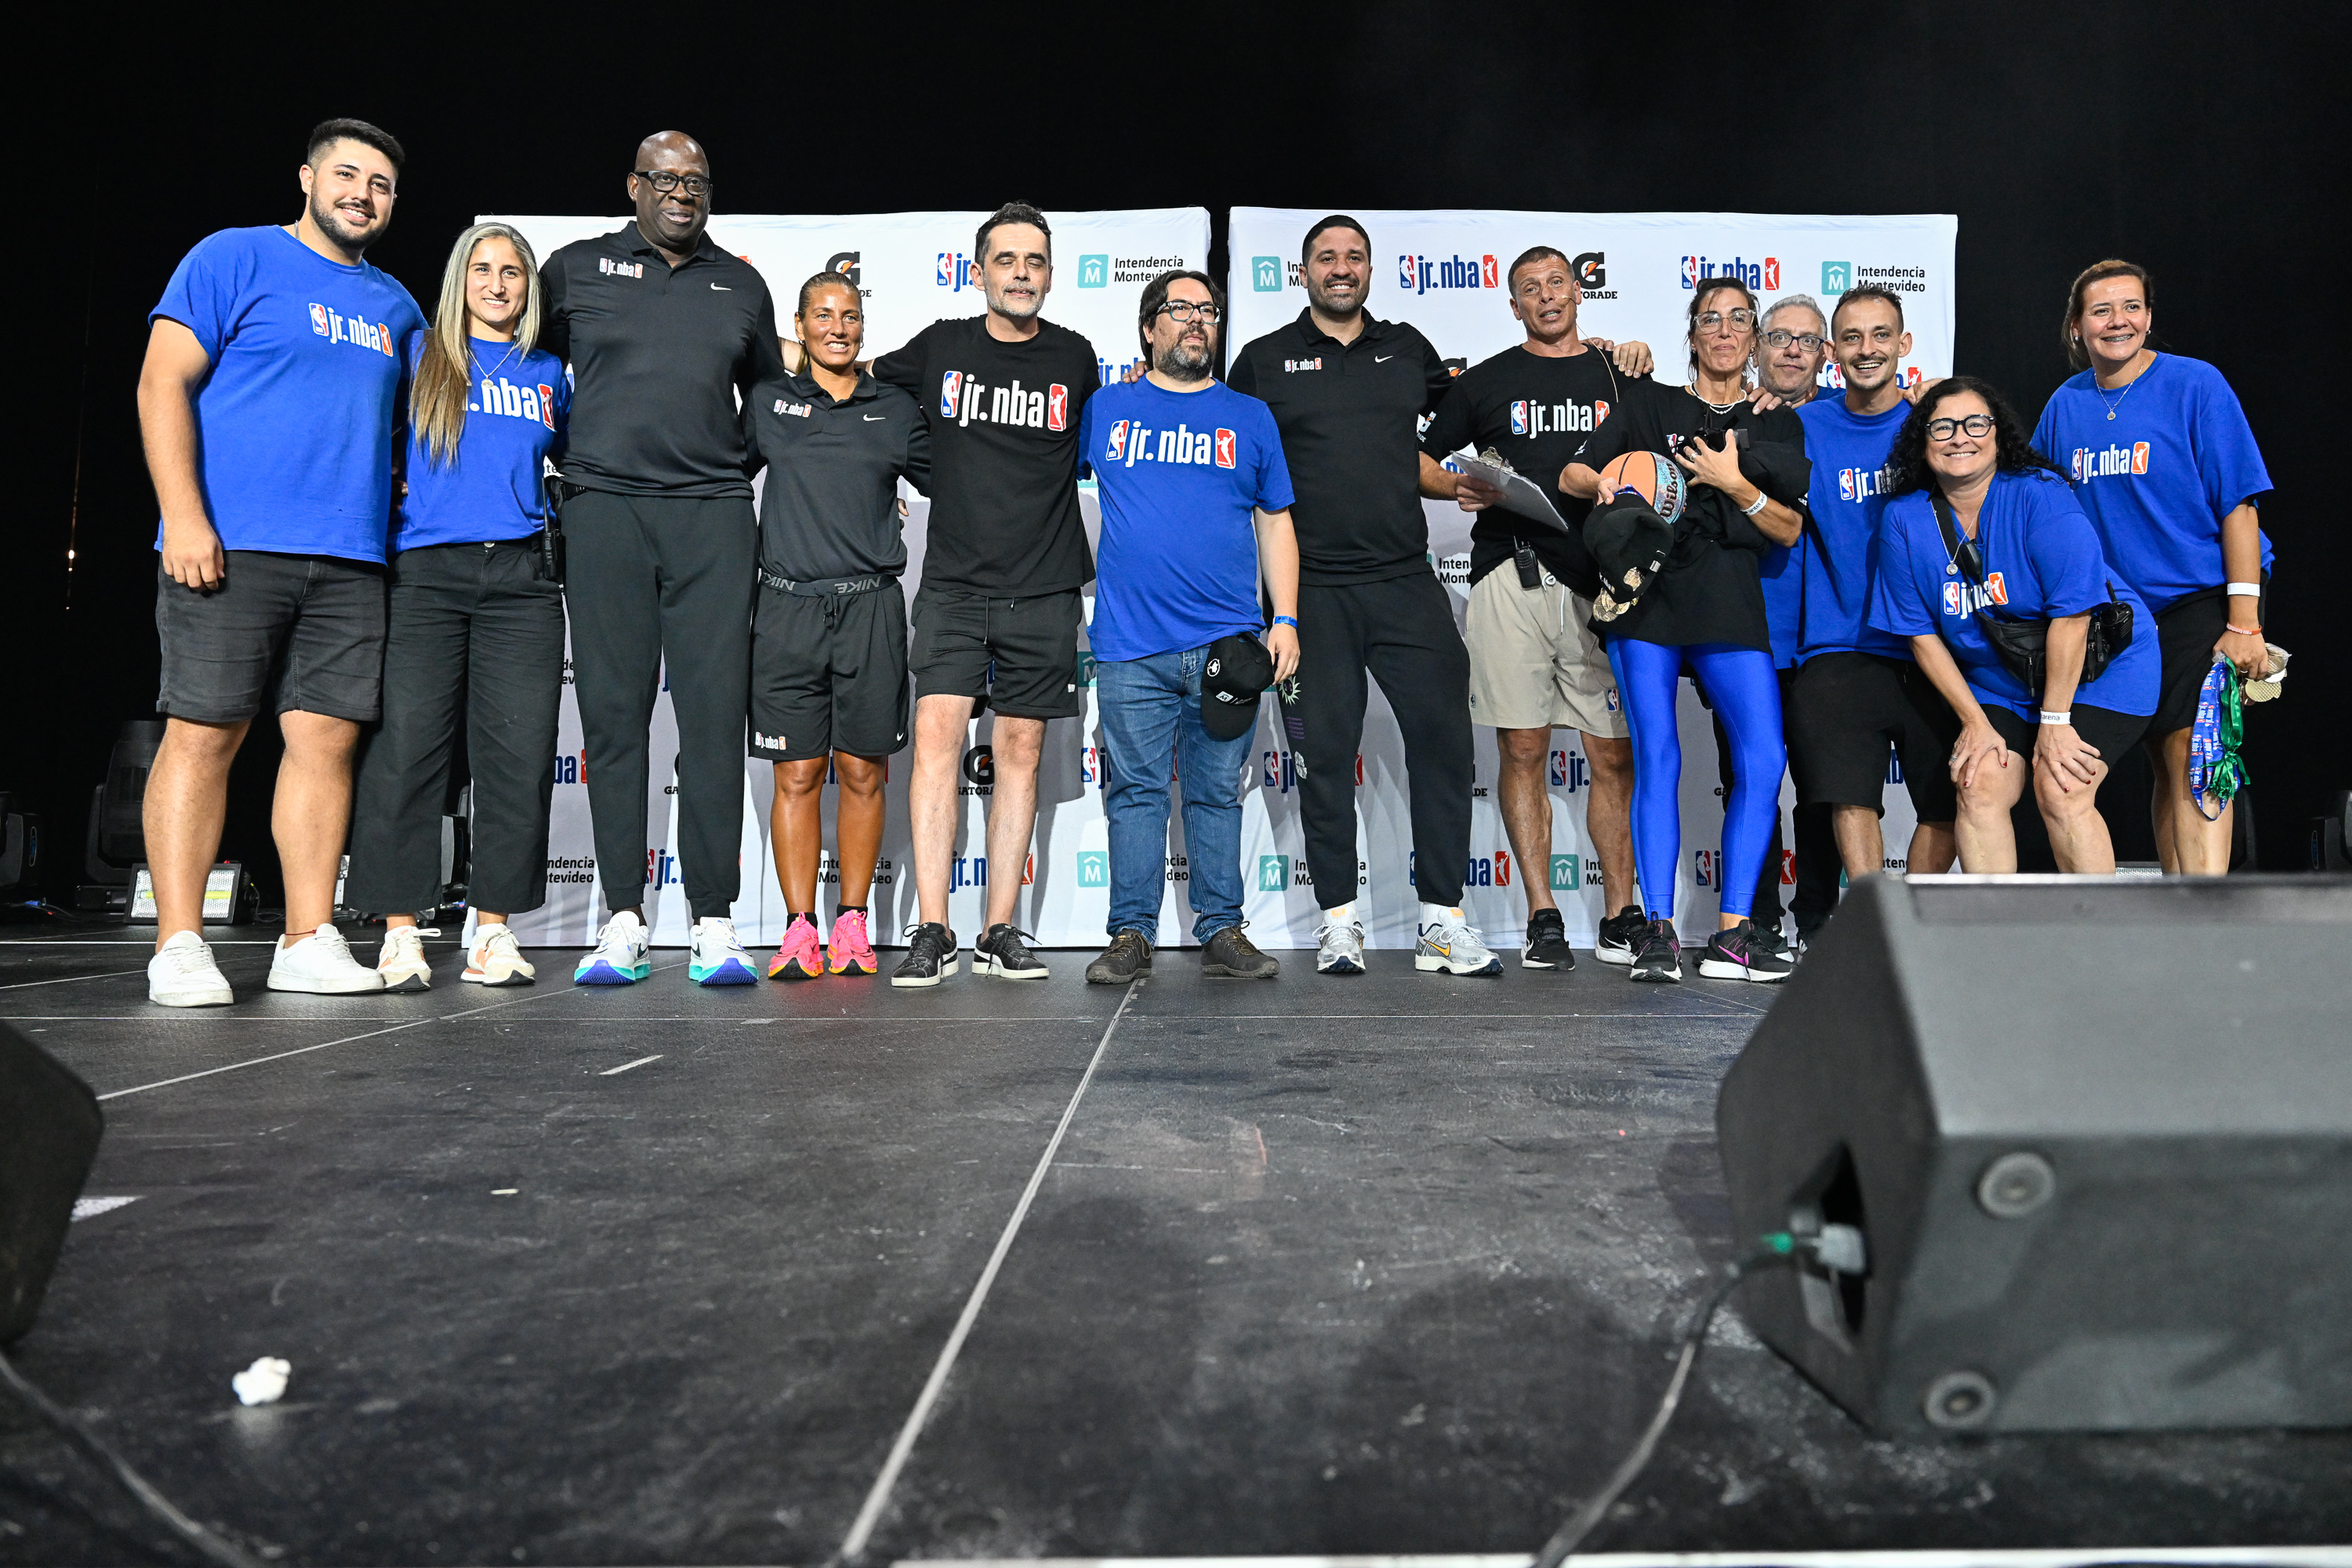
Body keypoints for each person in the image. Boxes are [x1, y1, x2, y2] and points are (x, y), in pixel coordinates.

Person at [140, 118, 424, 1007]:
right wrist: (184, 515)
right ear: (306, 177)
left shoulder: (399, 309)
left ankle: (307, 936)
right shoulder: (234, 257)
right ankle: (179, 941)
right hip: (229, 545)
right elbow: (160, 383)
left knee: (325, 746)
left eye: (379, 184)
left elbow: (411, 438)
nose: (361, 195)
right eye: (347, 175)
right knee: (204, 733)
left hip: (349, 561)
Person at [539, 132, 786, 988]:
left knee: (715, 719)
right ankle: (623, 920)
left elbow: (768, 402)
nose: (682, 192)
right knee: (612, 717)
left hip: (713, 517)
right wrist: (576, 462)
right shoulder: (573, 270)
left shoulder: (741, 283)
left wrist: (719, 468)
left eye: (697, 181)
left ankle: (713, 921)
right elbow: (526, 372)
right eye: (666, 179)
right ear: (635, 185)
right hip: (603, 512)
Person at [1228, 216, 1501, 978]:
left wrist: (1606, 357)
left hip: (1406, 582)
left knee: (1447, 743)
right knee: (1324, 759)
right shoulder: (1263, 361)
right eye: (1326, 257)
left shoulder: (1407, 350)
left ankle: (1442, 920)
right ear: (1303, 271)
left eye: (1354, 257)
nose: (1341, 268)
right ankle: (1338, 921)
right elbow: (1223, 448)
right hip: (1311, 594)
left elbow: (1483, 406)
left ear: (1371, 270)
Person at [874, 202, 1102, 985]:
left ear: (1048, 273)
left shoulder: (1076, 358)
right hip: (954, 583)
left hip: (1043, 584)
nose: (1021, 274)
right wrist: (885, 474)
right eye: (1006, 260)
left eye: (1035, 261)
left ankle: (998, 926)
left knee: (1022, 750)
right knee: (936, 737)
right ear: (980, 273)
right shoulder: (941, 346)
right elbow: (862, 392)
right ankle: (933, 925)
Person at [1562, 278, 1809, 984]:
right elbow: (1575, 471)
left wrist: (1734, 484)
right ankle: (1659, 929)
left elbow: (1787, 527)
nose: (1725, 331)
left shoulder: (1776, 421)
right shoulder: (1649, 402)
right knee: (1658, 756)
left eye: (1739, 320)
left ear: (1754, 338)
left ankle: (1734, 930)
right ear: (1692, 334)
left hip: (1730, 598)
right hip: (1650, 598)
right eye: (1710, 320)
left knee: (1763, 758)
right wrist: (1604, 483)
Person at [1415, 245, 1650, 972]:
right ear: (1512, 305)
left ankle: (1622, 914)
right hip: (1509, 576)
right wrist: (1457, 490)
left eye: (1557, 283)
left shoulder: (1620, 373)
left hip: (1602, 586)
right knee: (1523, 749)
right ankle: (1542, 914)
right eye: (1529, 290)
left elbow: (1657, 462)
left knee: (1612, 754)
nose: (1546, 297)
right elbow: (1418, 455)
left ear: (1580, 294)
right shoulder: (1486, 380)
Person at [345, 224, 567, 991]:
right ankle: (402, 930)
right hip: (427, 575)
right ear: (459, 278)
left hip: (522, 579)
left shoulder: (548, 372)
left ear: (529, 286)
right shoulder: (419, 356)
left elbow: (581, 462)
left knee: (517, 760)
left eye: (513, 272)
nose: (499, 283)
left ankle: (492, 929)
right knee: (407, 750)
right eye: (483, 268)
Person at [1078, 270, 1300, 985]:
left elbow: (1275, 522)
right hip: (1130, 646)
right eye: (1180, 309)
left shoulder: (1250, 417)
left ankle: (1221, 928)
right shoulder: (1107, 408)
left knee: (1215, 794)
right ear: (1149, 328)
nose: (1197, 321)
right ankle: (1130, 935)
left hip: (1228, 646)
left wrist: (1286, 616)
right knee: (1135, 795)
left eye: (1207, 311)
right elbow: (1027, 475)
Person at [2031, 260, 2274, 874]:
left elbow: (2239, 505)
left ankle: (2205, 920)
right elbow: (2033, 499)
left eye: (2132, 306)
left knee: (2193, 757)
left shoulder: (2196, 385)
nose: (2120, 321)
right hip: (2118, 616)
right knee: (2158, 764)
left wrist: (2244, 621)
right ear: (2076, 327)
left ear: (2148, 316)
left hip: (2203, 598)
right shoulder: (2067, 405)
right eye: (2102, 310)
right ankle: (2176, 920)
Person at [1871, 379, 2158, 872]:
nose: (1960, 437)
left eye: (1975, 423)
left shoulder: (2039, 494)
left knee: (2062, 785)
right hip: (2000, 682)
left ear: (1998, 434)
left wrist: (2055, 721)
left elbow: (2072, 614)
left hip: (2100, 668)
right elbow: (1920, 635)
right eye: (1942, 427)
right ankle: (1993, 943)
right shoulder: (1902, 519)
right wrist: (1976, 723)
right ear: (1922, 442)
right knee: (1978, 781)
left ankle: (2102, 944)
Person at [742, 274, 931, 981]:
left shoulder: (896, 408)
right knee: (797, 772)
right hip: (786, 609)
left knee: (861, 769)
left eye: (850, 315)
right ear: (800, 325)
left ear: (864, 326)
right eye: (823, 315)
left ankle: (852, 924)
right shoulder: (768, 401)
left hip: (871, 608)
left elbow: (961, 476)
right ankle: (799, 929)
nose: (839, 327)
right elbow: (720, 478)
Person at [1784, 285, 1959, 909]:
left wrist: (1942, 407)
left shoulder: (1936, 427)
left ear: (1904, 344)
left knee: (1946, 803)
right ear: (1832, 352)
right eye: (1853, 338)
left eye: (1881, 335)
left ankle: (1914, 923)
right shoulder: (1801, 427)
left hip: (1932, 648)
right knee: (1850, 796)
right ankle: (1872, 927)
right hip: (1839, 645)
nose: (1868, 350)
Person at [1744, 292, 1839, 947]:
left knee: (1823, 786)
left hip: (1832, 638)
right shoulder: (1733, 418)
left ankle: (1819, 919)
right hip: (1750, 634)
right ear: (1756, 348)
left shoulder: (1856, 417)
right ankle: (1754, 921)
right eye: (1780, 337)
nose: (1793, 350)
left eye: (1807, 340)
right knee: (1750, 783)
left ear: (1825, 354)